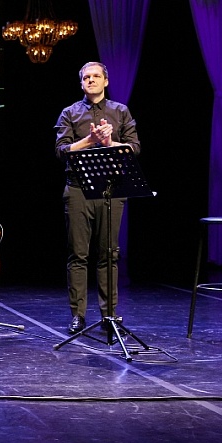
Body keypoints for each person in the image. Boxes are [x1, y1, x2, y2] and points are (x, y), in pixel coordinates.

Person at [54, 61, 141, 334]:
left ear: (106, 81)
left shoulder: (120, 111)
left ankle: (109, 315)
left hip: (111, 191)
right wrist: (90, 140)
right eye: (86, 77)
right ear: (81, 83)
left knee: (108, 254)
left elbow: (134, 148)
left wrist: (108, 143)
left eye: (95, 76)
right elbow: (61, 150)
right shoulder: (70, 112)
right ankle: (77, 315)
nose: (90, 80)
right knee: (78, 254)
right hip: (78, 189)